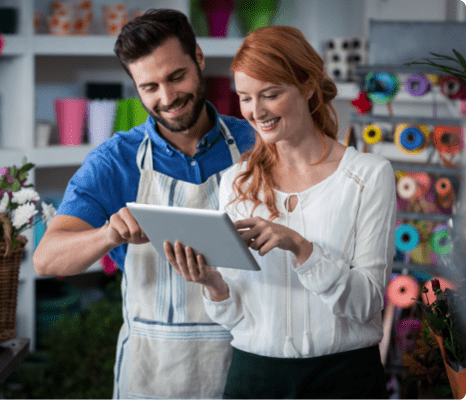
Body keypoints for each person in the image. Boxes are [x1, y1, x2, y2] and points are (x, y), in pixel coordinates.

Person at [33, 8, 255, 399]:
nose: (167, 98)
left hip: (247, 361)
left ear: (199, 59)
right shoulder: (115, 161)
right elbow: (47, 259)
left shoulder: (254, 145)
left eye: (176, 77)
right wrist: (106, 234)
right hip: (153, 374)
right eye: (149, 87)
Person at [164, 25, 396, 399]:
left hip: (345, 377)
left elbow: (367, 302)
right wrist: (213, 284)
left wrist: (302, 248)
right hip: (254, 377)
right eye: (245, 98)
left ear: (306, 86)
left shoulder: (368, 176)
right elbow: (237, 316)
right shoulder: (236, 182)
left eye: (270, 94)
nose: (256, 112)